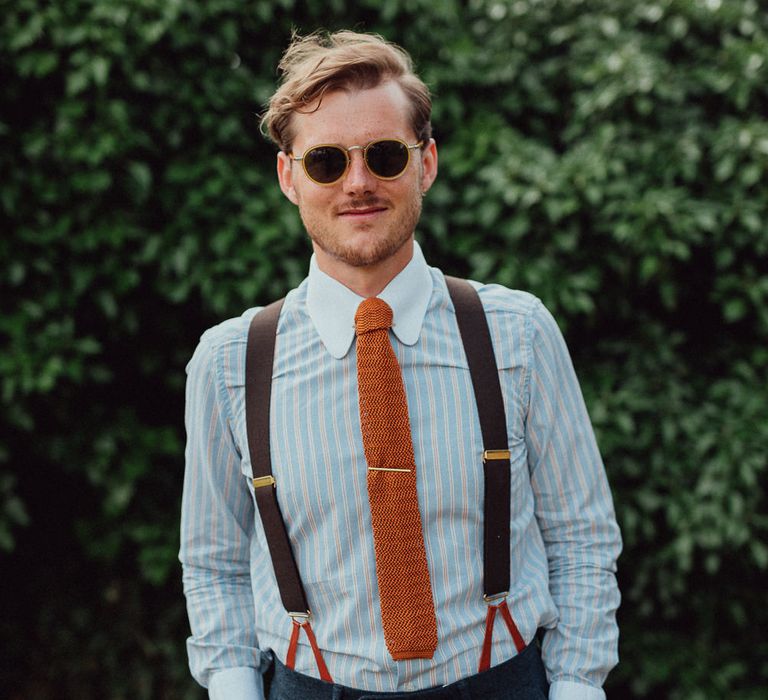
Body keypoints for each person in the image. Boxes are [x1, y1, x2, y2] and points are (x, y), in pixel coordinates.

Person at [180, 30, 621, 700]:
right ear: (288, 176)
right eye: (327, 161)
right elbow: (212, 560)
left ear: (427, 163)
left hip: (500, 683)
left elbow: (582, 536)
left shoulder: (518, 334)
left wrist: (579, 686)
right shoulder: (230, 361)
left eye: (384, 155)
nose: (358, 183)